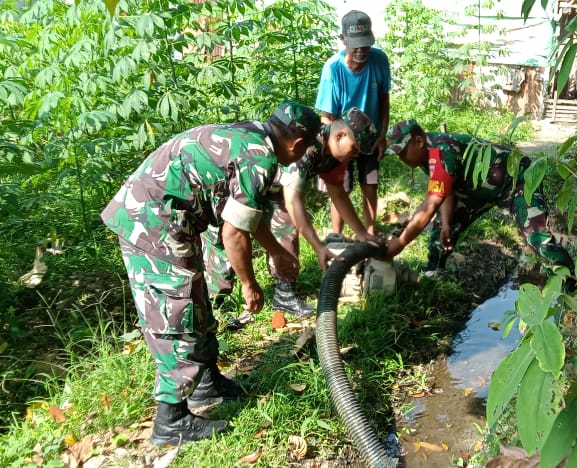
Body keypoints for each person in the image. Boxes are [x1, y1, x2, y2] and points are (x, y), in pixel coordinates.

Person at [100, 101, 321, 446]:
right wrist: (250, 284)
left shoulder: (253, 137)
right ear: (298, 144)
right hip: (151, 221)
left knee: (196, 299)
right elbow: (234, 234)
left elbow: (247, 213)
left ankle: (206, 383)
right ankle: (170, 421)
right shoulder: (259, 156)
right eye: (307, 149)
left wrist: (276, 251)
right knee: (178, 311)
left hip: (170, 219)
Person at [202, 108, 379, 319]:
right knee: (226, 233)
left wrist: (362, 233)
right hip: (250, 180)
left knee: (283, 222)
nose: (356, 155)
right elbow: (293, 200)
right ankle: (216, 302)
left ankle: (284, 292)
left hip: (273, 187)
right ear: (340, 135)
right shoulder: (308, 143)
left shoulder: (333, 156)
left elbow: (338, 193)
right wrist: (318, 246)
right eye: (355, 148)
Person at [382, 119, 574, 274]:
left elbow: (431, 203)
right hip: (476, 190)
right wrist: (447, 223)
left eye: (402, 152)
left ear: (418, 141)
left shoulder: (441, 152)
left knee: (538, 240)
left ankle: (571, 285)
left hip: (518, 182)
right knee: (440, 234)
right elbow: (446, 190)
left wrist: (400, 243)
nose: (401, 159)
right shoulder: (426, 155)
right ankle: (433, 275)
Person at [315, 10, 391, 238]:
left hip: (371, 135)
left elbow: (384, 100)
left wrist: (382, 135)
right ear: (343, 39)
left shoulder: (379, 60)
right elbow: (326, 116)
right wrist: (337, 149)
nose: (361, 50)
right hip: (341, 138)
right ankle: (336, 234)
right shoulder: (333, 69)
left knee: (370, 183)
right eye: (355, 45)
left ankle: (369, 231)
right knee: (340, 186)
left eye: (365, 45)